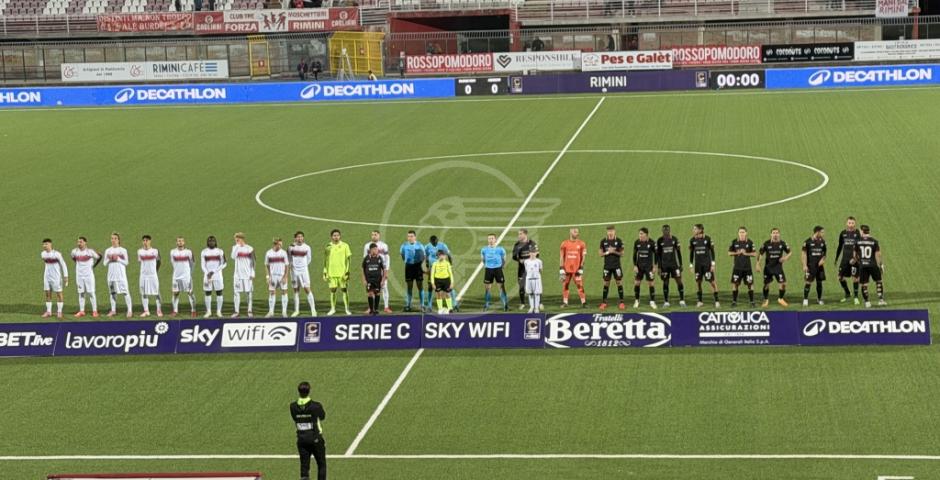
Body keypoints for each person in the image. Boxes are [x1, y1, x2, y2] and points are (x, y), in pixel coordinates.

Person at [290, 381, 326, 480]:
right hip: (315, 439)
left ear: (299, 392)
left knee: (304, 467)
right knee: (321, 464)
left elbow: (294, 418)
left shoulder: (292, 406)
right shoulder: (316, 406)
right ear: (309, 391)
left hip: (301, 439)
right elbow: (322, 417)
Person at [756, 228, 792, 308]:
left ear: (779, 234)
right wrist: (758, 264)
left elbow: (790, 252)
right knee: (766, 285)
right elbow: (760, 254)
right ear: (771, 234)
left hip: (778, 268)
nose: (775, 234)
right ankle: (766, 299)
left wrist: (785, 258)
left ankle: (780, 298)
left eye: (777, 233)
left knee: (783, 284)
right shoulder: (766, 243)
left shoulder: (783, 244)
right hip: (768, 268)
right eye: (773, 233)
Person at [854, 225, 886, 308]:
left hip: (863, 266)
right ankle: (881, 300)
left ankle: (867, 302)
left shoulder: (857, 241)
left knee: (864, 284)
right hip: (873, 264)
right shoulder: (874, 241)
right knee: (878, 281)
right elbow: (878, 254)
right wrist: (881, 264)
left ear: (862, 231)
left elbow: (855, 255)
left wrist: (859, 261)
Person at [424, 235, 458, 312]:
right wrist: (427, 266)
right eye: (432, 243)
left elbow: (449, 255)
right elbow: (426, 257)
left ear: (437, 240)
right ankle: (429, 305)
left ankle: (454, 304)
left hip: (443, 269)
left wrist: (451, 265)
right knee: (430, 287)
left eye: (435, 242)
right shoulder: (427, 247)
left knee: (449, 288)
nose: (434, 244)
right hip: (433, 268)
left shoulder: (443, 245)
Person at [689, 224, 719, 308]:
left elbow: (712, 252)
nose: (693, 230)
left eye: (695, 229)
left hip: (707, 265)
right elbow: (691, 253)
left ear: (700, 230)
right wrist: (691, 265)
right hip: (698, 266)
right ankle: (700, 301)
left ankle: (716, 301)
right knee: (698, 282)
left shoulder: (708, 239)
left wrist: (713, 264)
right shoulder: (692, 240)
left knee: (712, 282)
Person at [104, 232, 132, 318]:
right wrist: (110, 259)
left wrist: (118, 258)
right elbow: (104, 263)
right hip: (111, 276)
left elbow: (126, 262)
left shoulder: (123, 250)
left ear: (119, 240)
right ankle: (113, 310)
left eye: (115, 238)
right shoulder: (108, 250)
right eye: (112, 238)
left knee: (125, 292)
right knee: (112, 293)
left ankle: (129, 310)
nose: (113, 240)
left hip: (121, 276)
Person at [656, 225, 686, 308]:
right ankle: (666, 301)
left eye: (666, 231)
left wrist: (681, 264)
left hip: (674, 265)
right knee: (665, 282)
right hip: (664, 266)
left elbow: (679, 253)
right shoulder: (659, 241)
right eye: (664, 231)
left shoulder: (674, 239)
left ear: (669, 231)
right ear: (662, 231)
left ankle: (682, 300)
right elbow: (658, 255)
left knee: (679, 281)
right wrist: (659, 267)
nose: (665, 232)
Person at [71, 236, 101, 318]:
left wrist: (93, 266)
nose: (79, 243)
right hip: (79, 276)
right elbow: (73, 258)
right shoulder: (74, 251)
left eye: (81, 242)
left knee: (91, 293)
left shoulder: (90, 252)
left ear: (85, 242)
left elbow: (99, 257)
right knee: (81, 293)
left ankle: (95, 311)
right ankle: (81, 311)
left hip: (89, 276)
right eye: (78, 242)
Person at [323, 229, 352, 316]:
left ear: (340, 236)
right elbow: (325, 260)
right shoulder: (328, 246)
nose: (336, 237)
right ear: (331, 237)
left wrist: (347, 271)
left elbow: (349, 259)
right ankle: (333, 309)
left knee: (344, 290)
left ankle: (347, 309)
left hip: (342, 273)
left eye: (337, 235)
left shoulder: (345, 245)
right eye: (334, 235)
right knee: (333, 290)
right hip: (331, 273)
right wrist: (325, 271)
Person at [834, 216, 861, 304]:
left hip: (855, 260)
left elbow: (860, 247)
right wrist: (836, 258)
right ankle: (847, 293)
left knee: (855, 278)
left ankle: (856, 297)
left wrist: (856, 258)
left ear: (855, 224)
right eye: (849, 223)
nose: (851, 225)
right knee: (840, 277)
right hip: (845, 259)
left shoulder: (858, 233)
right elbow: (840, 246)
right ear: (846, 223)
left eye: (852, 223)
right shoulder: (843, 233)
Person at [363, 231, 392, 313]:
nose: (374, 236)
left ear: (379, 235)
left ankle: (386, 307)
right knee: (370, 290)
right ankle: (371, 308)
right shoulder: (367, 246)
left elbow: (387, 258)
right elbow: (365, 259)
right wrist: (366, 273)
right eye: (372, 234)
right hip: (371, 271)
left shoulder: (384, 245)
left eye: (375, 234)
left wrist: (387, 270)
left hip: (381, 270)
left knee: (384, 287)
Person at [728, 227, 757, 308]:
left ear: (746, 233)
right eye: (740, 232)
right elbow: (729, 253)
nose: (741, 234)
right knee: (735, 284)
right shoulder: (734, 242)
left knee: (750, 284)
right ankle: (734, 301)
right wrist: (737, 252)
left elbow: (754, 254)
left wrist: (746, 253)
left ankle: (752, 301)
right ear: (738, 233)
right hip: (737, 268)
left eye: (743, 232)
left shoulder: (750, 242)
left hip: (747, 268)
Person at [290, 231, 317, 317]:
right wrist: (293, 267)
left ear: (303, 238)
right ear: (295, 238)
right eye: (298, 237)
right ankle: (296, 310)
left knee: (307, 289)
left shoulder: (307, 247)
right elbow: (289, 258)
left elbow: (309, 259)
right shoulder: (291, 247)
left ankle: (313, 310)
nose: (300, 238)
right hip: (294, 271)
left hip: (304, 271)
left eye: (301, 237)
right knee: (296, 290)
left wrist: (303, 266)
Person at [599, 225, 626, 310]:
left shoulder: (619, 241)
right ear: (607, 232)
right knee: (606, 283)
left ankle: (621, 302)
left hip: (616, 266)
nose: (610, 233)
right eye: (609, 231)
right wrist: (607, 252)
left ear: (614, 231)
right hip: (607, 266)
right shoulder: (603, 241)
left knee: (619, 283)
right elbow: (600, 254)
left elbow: (622, 254)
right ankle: (604, 302)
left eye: (612, 231)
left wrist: (613, 251)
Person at [559, 228, 587, 308]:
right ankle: (565, 302)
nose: (577, 233)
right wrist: (561, 269)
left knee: (580, 286)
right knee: (565, 285)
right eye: (575, 232)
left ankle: (584, 302)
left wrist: (581, 267)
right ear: (570, 232)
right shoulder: (564, 244)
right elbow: (561, 257)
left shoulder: (582, 244)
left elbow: (583, 257)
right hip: (566, 269)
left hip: (577, 270)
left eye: (577, 232)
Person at [481, 233, 509, 311]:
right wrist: (487, 265)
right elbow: (483, 259)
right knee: (487, 288)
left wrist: (502, 266)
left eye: (492, 238)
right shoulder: (484, 249)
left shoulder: (500, 249)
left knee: (501, 287)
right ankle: (486, 304)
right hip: (488, 270)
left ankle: (505, 304)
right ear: (487, 240)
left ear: (495, 240)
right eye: (489, 238)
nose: (491, 240)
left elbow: (504, 258)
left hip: (498, 269)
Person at [40, 238, 68, 318]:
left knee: (59, 294)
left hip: (56, 277)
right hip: (46, 277)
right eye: (43, 244)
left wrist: (66, 276)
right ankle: (49, 312)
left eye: (46, 244)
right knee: (47, 294)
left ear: (50, 244)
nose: (44, 246)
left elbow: (63, 265)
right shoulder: (43, 254)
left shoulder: (57, 254)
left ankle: (59, 312)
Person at [170, 236, 197, 317]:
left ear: (184, 242)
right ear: (176, 242)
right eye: (178, 241)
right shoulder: (172, 252)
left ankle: (193, 310)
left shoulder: (189, 252)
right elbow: (172, 263)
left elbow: (193, 263)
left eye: (181, 241)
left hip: (186, 277)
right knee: (175, 293)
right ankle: (175, 310)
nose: (180, 242)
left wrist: (189, 273)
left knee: (190, 293)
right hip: (176, 276)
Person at [511, 228, 538, 310]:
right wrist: (520, 260)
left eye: (520, 234)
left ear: (525, 234)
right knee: (521, 286)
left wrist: (530, 260)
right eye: (518, 234)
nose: (519, 235)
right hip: (522, 269)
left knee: (535, 286)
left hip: (532, 269)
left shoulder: (532, 243)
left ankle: (537, 303)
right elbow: (514, 256)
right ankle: (522, 303)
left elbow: (537, 254)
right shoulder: (517, 245)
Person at [231, 232, 256, 318]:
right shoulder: (235, 248)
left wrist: (253, 272)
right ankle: (236, 311)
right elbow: (233, 257)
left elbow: (254, 261)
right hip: (237, 275)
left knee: (249, 293)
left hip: (247, 275)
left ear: (242, 239)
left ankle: (249, 310)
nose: (236, 240)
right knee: (236, 293)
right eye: (235, 239)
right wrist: (237, 246)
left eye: (237, 239)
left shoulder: (250, 248)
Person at [801, 226, 828, 307]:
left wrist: (823, 259)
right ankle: (805, 299)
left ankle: (819, 299)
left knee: (819, 283)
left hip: (819, 267)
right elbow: (803, 254)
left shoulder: (823, 242)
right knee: (808, 282)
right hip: (810, 266)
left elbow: (824, 253)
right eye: (822, 232)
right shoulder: (807, 242)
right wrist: (804, 265)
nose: (823, 234)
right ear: (817, 232)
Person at [399, 231, 425, 312]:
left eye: (412, 236)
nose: (410, 238)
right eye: (409, 236)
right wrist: (407, 262)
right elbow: (402, 255)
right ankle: (408, 305)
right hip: (409, 267)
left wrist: (420, 264)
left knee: (420, 286)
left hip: (418, 267)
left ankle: (422, 305)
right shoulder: (404, 245)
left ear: (415, 237)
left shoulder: (420, 245)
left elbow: (424, 256)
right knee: (409, 286)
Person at [632, 227, 658, 309]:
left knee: (651, 283)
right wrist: (635, 265)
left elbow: (656, 254)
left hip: (648, 267)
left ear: (646, 234)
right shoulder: (637, 242)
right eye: (639, 234)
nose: (639, 235)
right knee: (637, 283)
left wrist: (655, 265)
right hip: (639, 267)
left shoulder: (652, 243)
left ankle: (652, 301)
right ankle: (637, 300)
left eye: (641, 233)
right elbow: (634, 254)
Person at [201, 235, 226, 318]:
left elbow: (224, 263)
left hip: (218, 276)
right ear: (207, 242)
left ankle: (219, 311)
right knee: (207, 293)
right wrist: (207, 272)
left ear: (215, 242)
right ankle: (208, 311)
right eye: (209, 241)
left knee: (219, 292)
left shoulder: (220, 251)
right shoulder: (204, 252)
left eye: (213, 241)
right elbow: (202, 265)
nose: (211, 242)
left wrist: (214, 272)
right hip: (207, 276)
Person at [265, 238, 291, 318]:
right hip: (273, 276)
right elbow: (266, 265)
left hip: (281, 276)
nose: (281, 246)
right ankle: (271, 311)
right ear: (275, 244)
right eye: (279, 244)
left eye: (281, 244)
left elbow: (287, 265)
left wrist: (285, 276)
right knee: (272, 293)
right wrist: (268, 277)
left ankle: (284, 312)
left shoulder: (283, 253)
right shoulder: (269, 253)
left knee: (284, 292)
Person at [138, 235, 163, 318]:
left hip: (153, 275)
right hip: (143, 275)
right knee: (143, 293)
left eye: (147, 240)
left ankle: (159, 310)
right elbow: (140, 262)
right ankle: (146, 311)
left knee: (157, 292)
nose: (145, 242)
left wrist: (155, 270)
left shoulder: (155, 251)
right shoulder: (139, 251)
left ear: (150, 241)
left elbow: (159, 261)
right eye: (144, 240)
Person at [362, 243, 387, 315]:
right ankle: (371, 309)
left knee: (377, 293)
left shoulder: (380, 258)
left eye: (377, 249)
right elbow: (362, 269)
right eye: (375, 249)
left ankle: (376, 309)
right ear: (371, 250)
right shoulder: (366, 258)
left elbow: (384, 270)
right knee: (370, 294)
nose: (376, 250)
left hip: (378, 280)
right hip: (369, 280)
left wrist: (383, 280)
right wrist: (364, 279)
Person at [429, 250, 455, 314]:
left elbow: (450, 273)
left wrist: (452, 282)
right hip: (437, 280)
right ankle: (440, 309)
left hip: (446, 280)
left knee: (447, 294)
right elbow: (432, 274)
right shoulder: (435, 264)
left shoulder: (447, 263)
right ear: (437, 256)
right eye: (440, 255)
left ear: (445, 256)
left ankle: (450, 308)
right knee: (438, 294)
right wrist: (432, 283)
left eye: (443, 255)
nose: (442, 257)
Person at [523, 249, 543, 314]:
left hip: (537, 279)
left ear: (536, 253)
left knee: (537, 294)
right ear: (529, 253)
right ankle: (531, 307)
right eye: (531, 252)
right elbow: (526, 270)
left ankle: (536, 308)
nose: (532, 254)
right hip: (529, 279)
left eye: (534, 252)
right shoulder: (526, 261)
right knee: (530, 294)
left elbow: (540, 270)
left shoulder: (539, 261)